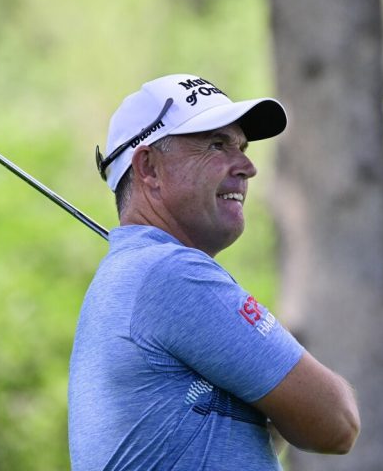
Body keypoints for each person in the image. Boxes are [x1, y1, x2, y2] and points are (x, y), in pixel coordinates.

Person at [68, 74, 360, 470]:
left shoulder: (135, 274)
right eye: (217, 145)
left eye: (242, 146)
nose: (248, 167)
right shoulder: (171, 274)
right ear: (149, 168)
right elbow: (337, 422)